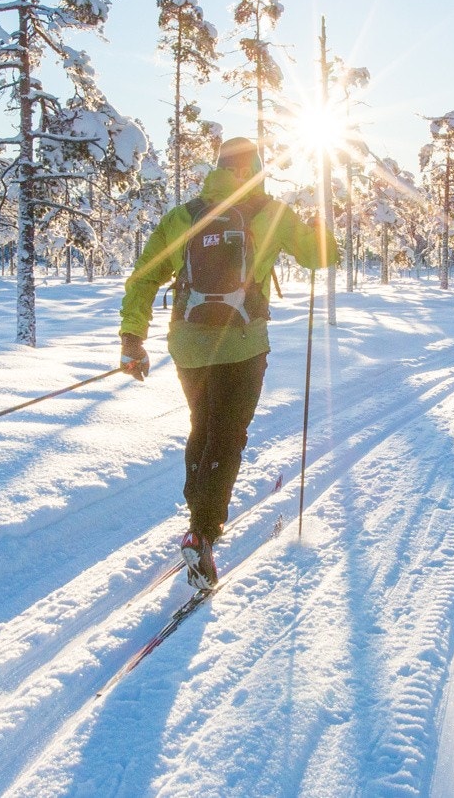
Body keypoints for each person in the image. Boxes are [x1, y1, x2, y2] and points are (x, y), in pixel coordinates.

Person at [118, 136, 334, 590]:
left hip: (190, 344)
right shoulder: (270, 213)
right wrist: (319, 227)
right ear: (253, 169)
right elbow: (322, 256)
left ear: (217, 169)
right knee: (228, 434)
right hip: (242, 342)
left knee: (204, 424)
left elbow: (144, 276)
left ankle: (198, 510)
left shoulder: (185, 215)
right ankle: (203, 528)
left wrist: (132, 337)